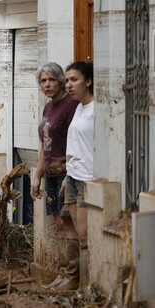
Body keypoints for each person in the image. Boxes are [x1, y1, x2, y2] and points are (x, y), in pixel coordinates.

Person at [31, 62, 80, 291]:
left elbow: (76, 142)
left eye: (51, 80)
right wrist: (37, 175)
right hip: (50, 173)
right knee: (59, 224)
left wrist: (69, 175)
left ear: (61, 81)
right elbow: (43, 145)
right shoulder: (47, 108)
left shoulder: (71, 106)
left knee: (68, 222)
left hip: (66, 173)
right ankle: (62, 273)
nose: (47, 84)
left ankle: (72, 276)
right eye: (43, 81)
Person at [64, 61, 94, 258]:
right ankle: (79, 283)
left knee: (85, 235)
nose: (69, 85)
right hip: (73, 176)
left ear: (88, 81)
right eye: (67, 81)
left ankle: (89, 284)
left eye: (74, 80)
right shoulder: (78, 108)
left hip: (88, 178)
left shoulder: (97, 108)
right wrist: (68, 176)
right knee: (76, 235)